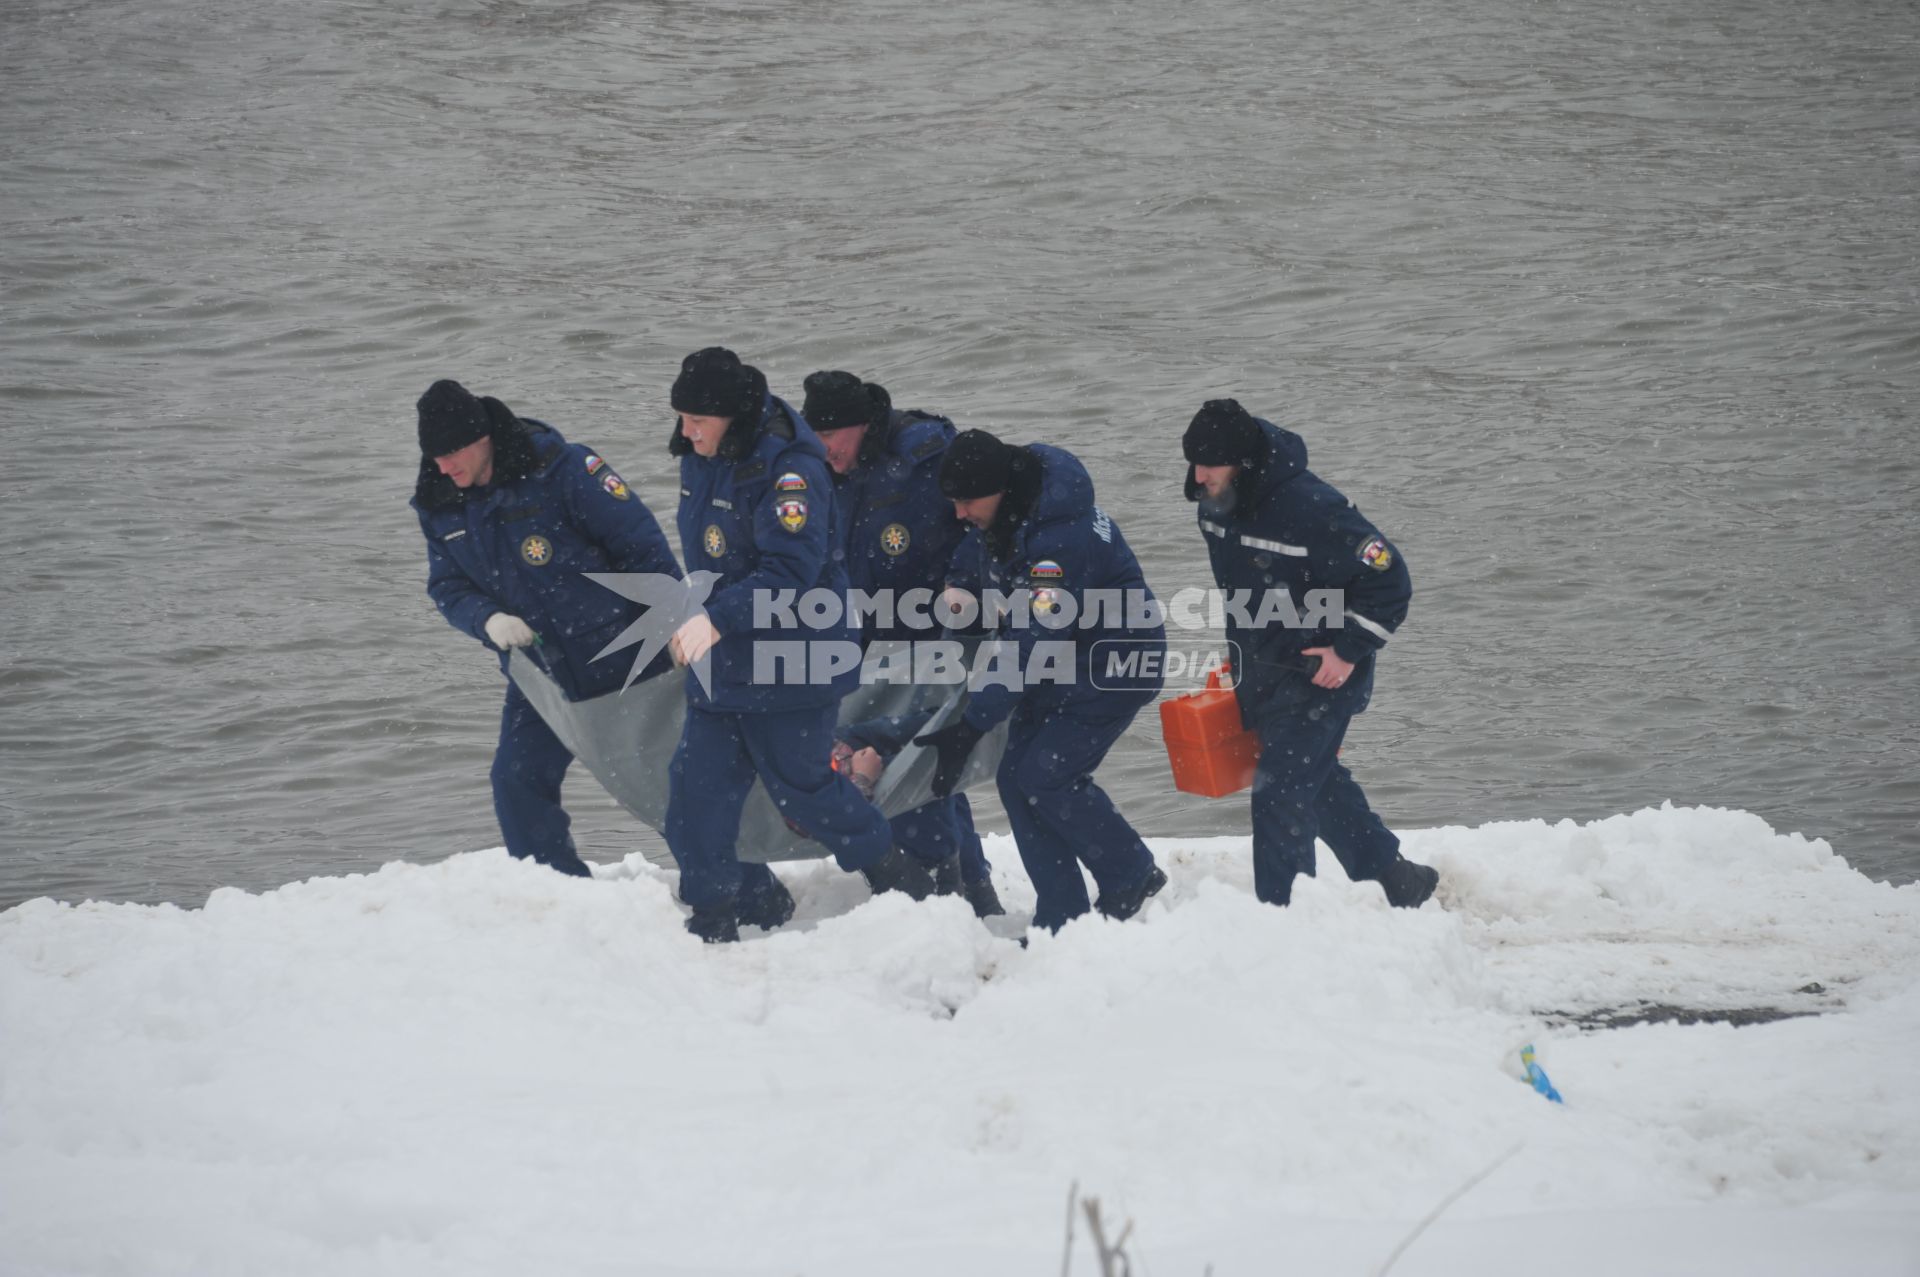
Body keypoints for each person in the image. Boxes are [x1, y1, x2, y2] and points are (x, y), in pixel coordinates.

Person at [663, 347, 935, 943]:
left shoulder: (790, 470)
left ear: (730, 414)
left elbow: (793, 568)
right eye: (681, 417)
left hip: (796, 657)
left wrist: (718, 618)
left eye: (696, 420)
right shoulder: (699, 457)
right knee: (693, 791)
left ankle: (904, 884)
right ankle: (715, 918)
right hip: (726, 660)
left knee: (806, 793)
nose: (685, 432)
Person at [411, 378, 681, 879]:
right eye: (434, 458)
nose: (443, 468)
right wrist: (486, 619)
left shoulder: (562, 469)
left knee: (667, 783)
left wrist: (677, 623)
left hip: (620, 654)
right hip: (540, 670)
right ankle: (559, 894)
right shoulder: (438, 501)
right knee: (516, 780)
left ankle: (743, 895)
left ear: (481, 437)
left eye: (450, 454)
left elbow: (642, 548)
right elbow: (446, 585)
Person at [1181, 398, 1438, 909]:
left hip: (1322, 675)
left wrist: (1347, 651)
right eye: (1193, 460)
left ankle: (1288, 923)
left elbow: (1390, 582)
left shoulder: (1313, 508)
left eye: (1209, 462)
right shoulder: (1214, 501)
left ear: (1242, 461)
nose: (1198, 474)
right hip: (1262, 669)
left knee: (1279, 793)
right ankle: (1397, 877)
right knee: (1317, 782)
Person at [913, 431, 1169, 933]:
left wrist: (973, 725)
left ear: (1000, 490)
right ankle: (1063, 916)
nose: (960, 513)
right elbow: (981, 542)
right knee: (1016, 777)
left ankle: (1131, 875)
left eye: (967, 501)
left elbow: (1033, 645)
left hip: (1114, 664)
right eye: (955, 502)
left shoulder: (1059, 544)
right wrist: (962, 583)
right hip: (1068, 660)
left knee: (1046, 776)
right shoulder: (1016, 502)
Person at [800, 370, 1003, 919]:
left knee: (914, 765)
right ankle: (972, 893)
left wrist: (963, 582)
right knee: (927, 773)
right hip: (865, 636)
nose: (824, 452)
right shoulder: (817, 466)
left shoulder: (925, 452)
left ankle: (936, 896)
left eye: (832, 439)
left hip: (936, 631)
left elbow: (979, 522)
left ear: (861, 426)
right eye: (813, 440)